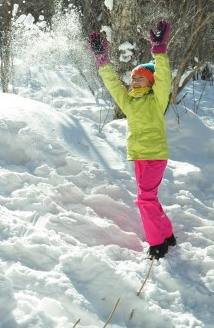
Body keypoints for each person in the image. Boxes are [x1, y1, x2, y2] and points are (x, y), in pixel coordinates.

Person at [86, 20, 176, 260]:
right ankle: (166, 234)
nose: (134, 81)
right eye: (133, 78)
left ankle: (157, 244)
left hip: (154, 155)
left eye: (141, 78)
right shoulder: (130, 102)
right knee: (150, 197)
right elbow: (115, 86)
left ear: (151, 82)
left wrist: (159, 51)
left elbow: (164, 79)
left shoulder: (157, 101)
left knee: (145, 199)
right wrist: (102, 62)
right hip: (138, 156)